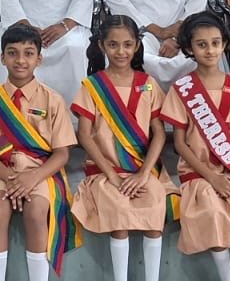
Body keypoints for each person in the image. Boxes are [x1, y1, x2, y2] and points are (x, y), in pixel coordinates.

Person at [158, 13, 230, 281]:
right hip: (198, 173)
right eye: (201, 44)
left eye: (215, 43)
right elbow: (179, 143)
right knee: (211, 213)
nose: (209, 50)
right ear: (189, 48)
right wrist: (212, 176)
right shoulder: (182, 89)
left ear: (224, 44)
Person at [71, 15, 177, 281]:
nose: (121, 51)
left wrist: (144, 174)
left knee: (154, 208)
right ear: (102, 46)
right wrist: (113, 175)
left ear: (137, 46)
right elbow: (85, 136)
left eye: (128, 44)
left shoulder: (148, 83)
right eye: (113, 45)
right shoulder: (92, 86)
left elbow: (159, 133)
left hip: (143, 169)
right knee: (119, 215)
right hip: (105, 171)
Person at [0, 24, 80, 281]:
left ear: (39, 59)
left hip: (40, 172)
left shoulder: (53, 99)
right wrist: (12, 180)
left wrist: (31, 179)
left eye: (29, 53)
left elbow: (62, 154)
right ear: (2, 58)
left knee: (36, 213)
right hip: (2, 171)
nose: (20, 60)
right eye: (12, 53)